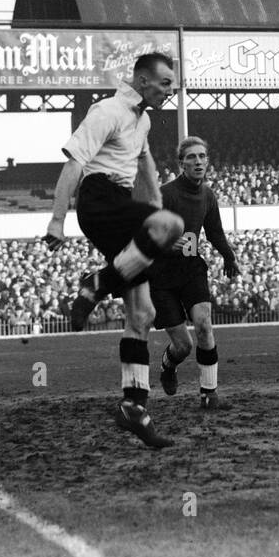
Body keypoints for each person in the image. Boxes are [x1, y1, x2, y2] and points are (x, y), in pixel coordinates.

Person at [44, 53, 185, 448]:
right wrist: (57, 219)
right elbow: (73, 165)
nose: (171, 89)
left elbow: (147, 171)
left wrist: (153, 217)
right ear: (142, 81)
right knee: (171, 225)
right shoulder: (107, 111)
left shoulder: (144, 120)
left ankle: (133, 408)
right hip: (99, 200)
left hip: (121, 203)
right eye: (164, 82)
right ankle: (99, 281)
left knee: (143, 314)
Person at [151, 136, 239, 411]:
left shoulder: (208, 195)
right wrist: (165, 240)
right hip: (161, 276)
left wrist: (229, 255)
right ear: (181, 163)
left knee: (204, 324)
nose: (198, 161)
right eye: (191, 157)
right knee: (184, 346)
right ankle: (168, 365)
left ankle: (209, 395)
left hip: (191, 268)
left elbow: (214, 231)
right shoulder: (166, 193)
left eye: (202, 156)